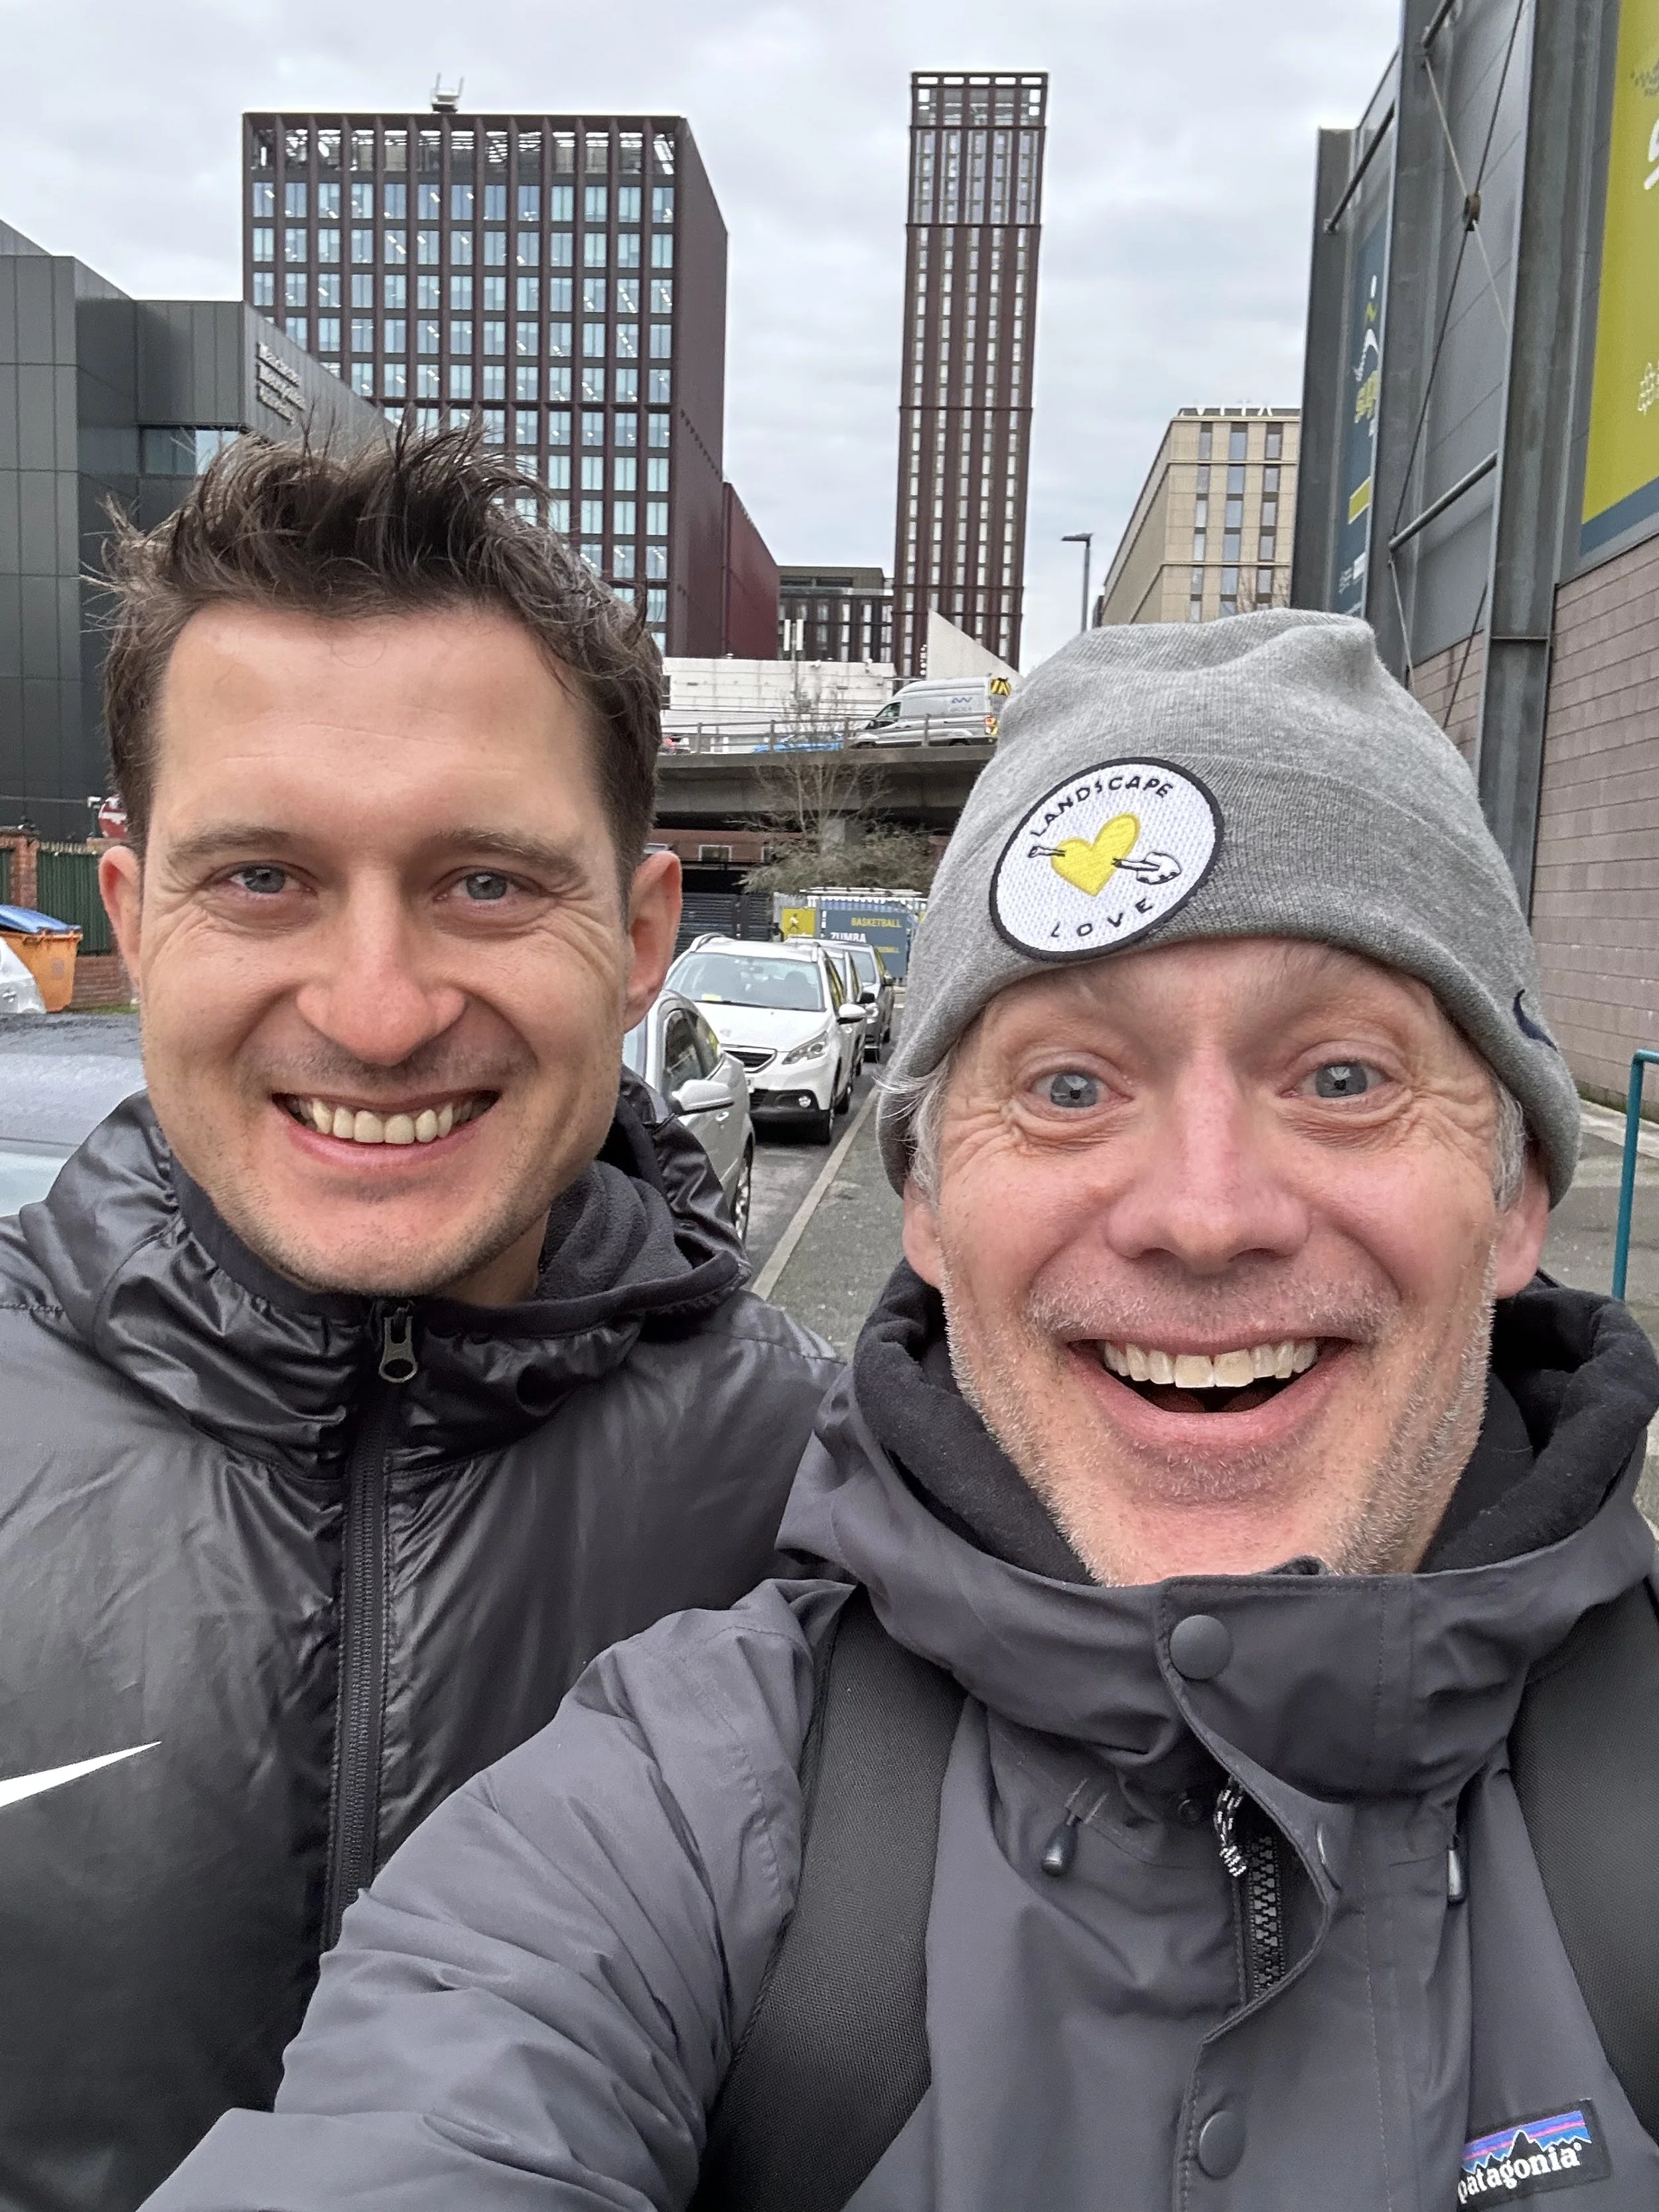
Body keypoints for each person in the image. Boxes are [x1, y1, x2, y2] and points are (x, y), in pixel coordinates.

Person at [142, 611, 1659, 2211]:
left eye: (1341, 1077)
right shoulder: (681, 1801)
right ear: (926, 1209)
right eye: (1069, 1086)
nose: (1204, 1215)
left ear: (1513, 1198)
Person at [0, 430, 838, 2212]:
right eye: (262, 879)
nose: (377, 1013)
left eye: (481, 882)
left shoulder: (848, 1519)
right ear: (135, 919)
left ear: (636, 935)